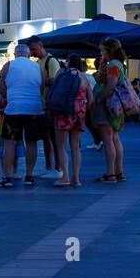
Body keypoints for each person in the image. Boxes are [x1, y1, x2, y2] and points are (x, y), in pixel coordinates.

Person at [0, 42, 47, 187]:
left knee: (10, 143)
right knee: (31, 143)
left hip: (14, 109)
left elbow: (2, 89)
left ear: (15, 54)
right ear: (28, 54)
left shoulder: (8, 66)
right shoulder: (38, 66)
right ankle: (29, 176)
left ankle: (7, 178)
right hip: (34, 108)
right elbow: (42, 86)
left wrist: (10, 97)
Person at [90, 37, 129, 183]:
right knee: (115, 138)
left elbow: (111, 84)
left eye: (102, 50)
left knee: (108, 139)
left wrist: (99, 99)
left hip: (108, 105)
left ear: (109, 50)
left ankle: (110, 173)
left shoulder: (113, 64)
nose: (101, 53)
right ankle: (119, 172)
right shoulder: (119, 64)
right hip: (116, 105)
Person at [50, 55, 91, 187]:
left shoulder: (61, 73)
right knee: (76, 146)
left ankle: (65, 177)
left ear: (68, 62)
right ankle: (76, 178)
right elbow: (92, 99)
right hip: (79, 112)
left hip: (62, 111)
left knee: (61, 145)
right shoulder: (83, 77)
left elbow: (54, 91)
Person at [27, 36, 63, 179]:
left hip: (50, 106)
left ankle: (58, 168)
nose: (32, 52)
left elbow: (56, 81)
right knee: (46, 138)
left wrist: (41, 81)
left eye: (33, 49)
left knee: (54, 139)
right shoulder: (38, 62)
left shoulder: (51, 61)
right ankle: (50, 167)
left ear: (41, 46)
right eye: (30, 49)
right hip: (42, 105)